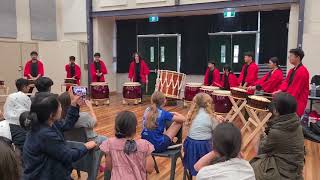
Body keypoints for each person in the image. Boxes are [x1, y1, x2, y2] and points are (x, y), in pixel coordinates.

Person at [23, 91, 97, 180]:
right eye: (59, 106)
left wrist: (74, 105)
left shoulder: (44, 122)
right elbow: (68, 156)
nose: (61, 108)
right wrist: (85, 146)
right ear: (51, 114)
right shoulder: (45, 134)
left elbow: (66, 125)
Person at [250, 92, 304, 180]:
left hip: (286, 172)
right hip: (295, 167)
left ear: (275, 111)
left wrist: (258, 138)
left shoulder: (277, 132)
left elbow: (262, 150)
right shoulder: (297, 124)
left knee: (253, 166)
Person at [100, 111, 155, 180]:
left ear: (116, 127)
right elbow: (149, 169)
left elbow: (109, 166)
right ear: (135, 127)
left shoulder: (109, 143)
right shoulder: (144, 144)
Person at [183, 93, 221, 176]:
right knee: (219, 147)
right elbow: (217, 131)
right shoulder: (210, 117)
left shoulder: (191, 115)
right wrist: (219, 120)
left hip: (190, 146)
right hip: (204, 147)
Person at [274, 48, 309, 117]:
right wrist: (279, 91)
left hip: (297, 102)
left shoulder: (302, 71)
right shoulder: (291, 70)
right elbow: (286, 83)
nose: (289, 58)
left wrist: (282, 98)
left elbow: (295, 90)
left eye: (291, 56)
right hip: (290, 99)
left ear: (298, 57)